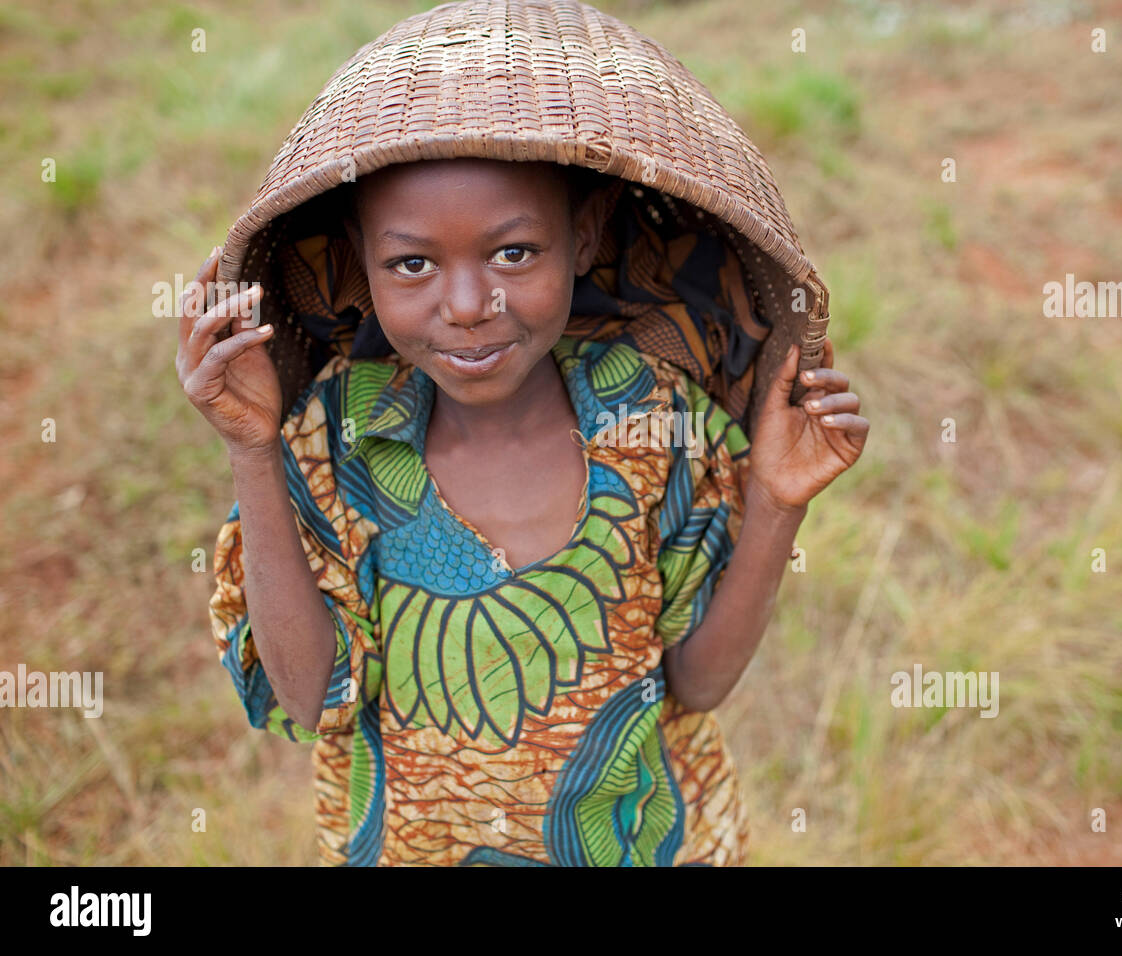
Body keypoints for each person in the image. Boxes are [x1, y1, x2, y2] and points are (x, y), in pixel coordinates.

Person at [176, 8, 867, 868]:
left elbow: (697, 684)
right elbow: (312, 696)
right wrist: (252, 449)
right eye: (413, 265)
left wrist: (772, 503)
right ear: (362, 262)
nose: (467, 306)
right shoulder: (337, 436)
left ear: (581, 237)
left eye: (513, 253)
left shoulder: (652, 419)